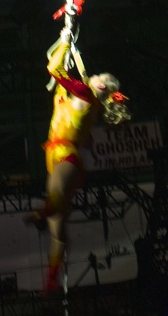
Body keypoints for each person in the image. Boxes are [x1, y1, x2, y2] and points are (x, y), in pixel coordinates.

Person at [26, 29, 130, 294]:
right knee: (57, 225)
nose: (93, 76)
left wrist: (64, 42)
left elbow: (54, 68)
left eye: (98, 77)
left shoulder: (85, 93)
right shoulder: (82, 97)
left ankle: (43, 212)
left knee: (55, 202)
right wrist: (67, 37)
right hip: (57, 156)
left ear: (101, 86)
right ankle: (52, 275)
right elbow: (60, 70)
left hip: (66, 156)